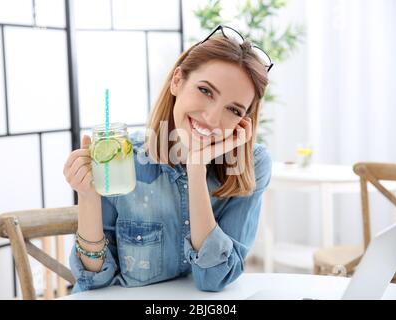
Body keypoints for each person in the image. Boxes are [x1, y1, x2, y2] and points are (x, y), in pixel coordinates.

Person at [63, 25, 273, 293]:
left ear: (244, 121)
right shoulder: (123, 157)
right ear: (177, 81)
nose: (211, 118)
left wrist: (196, 169)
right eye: (206, 91)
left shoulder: (252, 164)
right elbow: (94, 281)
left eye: (233, 109)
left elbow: (214, 279)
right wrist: (89, 196)